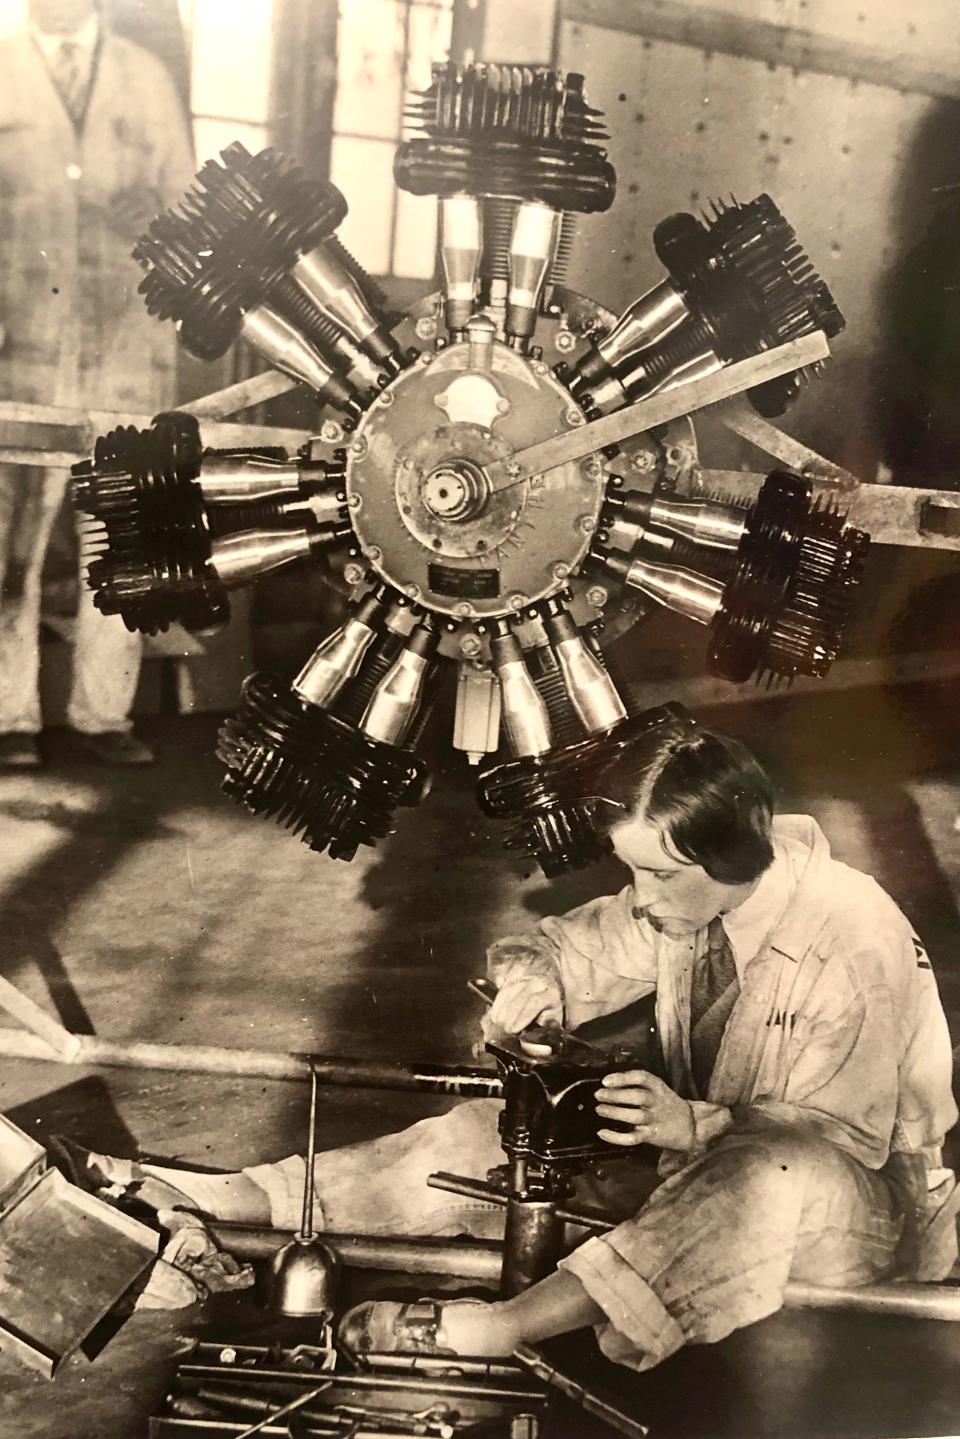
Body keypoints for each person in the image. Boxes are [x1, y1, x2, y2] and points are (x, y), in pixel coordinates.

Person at [62, 723, 959, 1371]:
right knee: (484, 1134)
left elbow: (826, 1148)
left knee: (761, 1178)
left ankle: (495, 1328)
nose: (640, 896)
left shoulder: (854, 934)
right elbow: (577, 944)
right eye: (630, 868)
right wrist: (535, 979)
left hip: (866, 1207)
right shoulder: (701, 896)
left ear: (727, 853)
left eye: (656, 874)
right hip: (703, 1159)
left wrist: (691, 1123)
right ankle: (226, 1196)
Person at [0, 0, 194, 768]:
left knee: (122, 541)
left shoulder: (145, 80)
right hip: (21, 351)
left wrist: (155, 221)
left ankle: (102, 714)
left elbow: (190, 217)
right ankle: (8, 717)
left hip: (125, 352)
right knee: (9, 544)